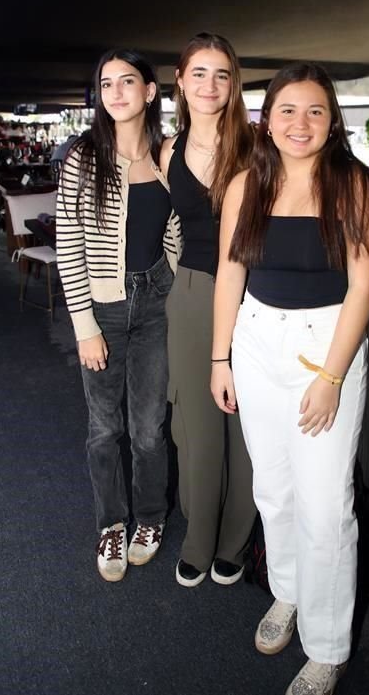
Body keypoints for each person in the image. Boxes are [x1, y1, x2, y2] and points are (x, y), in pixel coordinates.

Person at [211, 63, 369, 695]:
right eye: (287, 110)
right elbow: (231, 276)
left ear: (332, 120)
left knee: (326, 507)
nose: (300, 123)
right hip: (256, 341)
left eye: (314, 111)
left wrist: (334, 377)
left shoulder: (355, 187)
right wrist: (219, 358)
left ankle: (329, 644)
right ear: (268, 119)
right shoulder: (245, 185)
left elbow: (364, 286)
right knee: (275, 491)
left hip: (325, 347)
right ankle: (286, 592)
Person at [56, 49, 182, 582]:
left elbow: (180, 224)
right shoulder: (83, 159)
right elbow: (68, 244)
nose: (116, 92)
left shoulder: (169, 155)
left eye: (127, 81)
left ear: (150, 91)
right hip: (103, 308)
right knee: (104, 428)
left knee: (150, 428)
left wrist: (172, 276)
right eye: (106, 83)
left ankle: (149, 518)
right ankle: (112, 522)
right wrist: (84, 326)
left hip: (156, 302)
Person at [160, 31, 256, 588]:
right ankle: (198, 539)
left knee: (244, 424)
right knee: (195, 421)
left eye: (221, 74)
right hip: (194, 290)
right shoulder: (167, 150)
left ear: (233, 82)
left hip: (255, 293)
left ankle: (235, 540)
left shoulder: (255, 146)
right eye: (199, 72)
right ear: (180, 80)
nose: (210, 84)